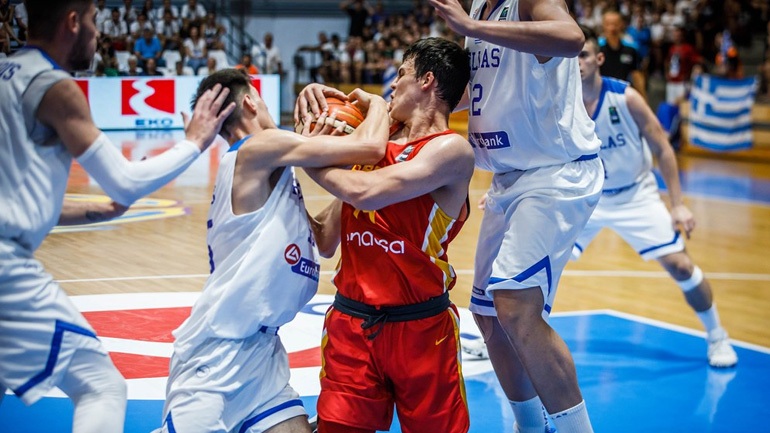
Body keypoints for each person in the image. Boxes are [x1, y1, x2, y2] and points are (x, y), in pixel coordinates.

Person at [0, 0, 234, 431]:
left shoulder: (6, 74)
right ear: (72, 22)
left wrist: (101, 210)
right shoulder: (53, 85)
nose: (97, 34)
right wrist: (196, 142)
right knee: (101, 387)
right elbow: (125, 181)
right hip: (6, 270)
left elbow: (13, 201)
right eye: (92, 21)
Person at [155, 68, 391, 433]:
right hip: (217, 351)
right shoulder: (257, 148)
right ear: (250, 101)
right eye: (261, 98)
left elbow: (325, 240)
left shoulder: (271, 170)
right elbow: (373, 147)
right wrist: (379, 104)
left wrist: (355, 180)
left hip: (262, 354)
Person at [429, 0, 604, 432]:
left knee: (516, 307)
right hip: (507, 179)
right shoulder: (478, 9)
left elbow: (570, 38)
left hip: (553, 171)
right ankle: (530, 426)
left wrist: (472, 26)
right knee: (488, 314)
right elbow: (484, 88)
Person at [295, 36, 474, 433]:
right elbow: (325, 239)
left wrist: (299, 151)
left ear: (427, 80)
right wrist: (279, 184)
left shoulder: (451, 150)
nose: (392, 85)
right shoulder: (373, 149)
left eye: (400, 74)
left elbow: (366, 193)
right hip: (352, 323)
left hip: (422, 330)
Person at [575, 35, 738, 368]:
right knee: (535, 265)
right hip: (586, 196)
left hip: (636, 193)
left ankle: (718, 335)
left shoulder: (625, 97)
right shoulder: (560, 101)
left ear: (599, 59)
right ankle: (509, 341)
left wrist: (677, 203)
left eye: (584, 55)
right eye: (572, 56)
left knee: (681, 266)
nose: (576, 62)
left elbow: (663, 147)